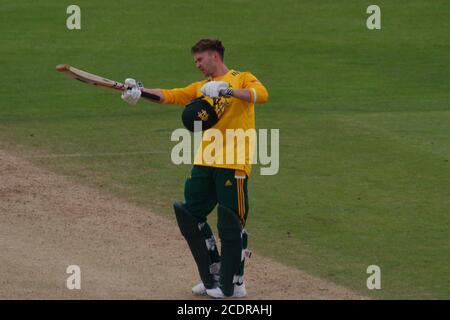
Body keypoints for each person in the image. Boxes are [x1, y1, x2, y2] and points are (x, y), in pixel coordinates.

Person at [121, 39, 269, 298]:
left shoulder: (242, 78)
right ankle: (215, 273)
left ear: (214, 56)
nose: (197, 65)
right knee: (190, 214)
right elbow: (172, 95)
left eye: (200, 60)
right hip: (204, 161)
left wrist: (227, 92)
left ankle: (235, 284)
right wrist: (140, 91)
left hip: (233, 163)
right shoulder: (201, 87)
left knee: (231, 223)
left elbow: (262, 95)